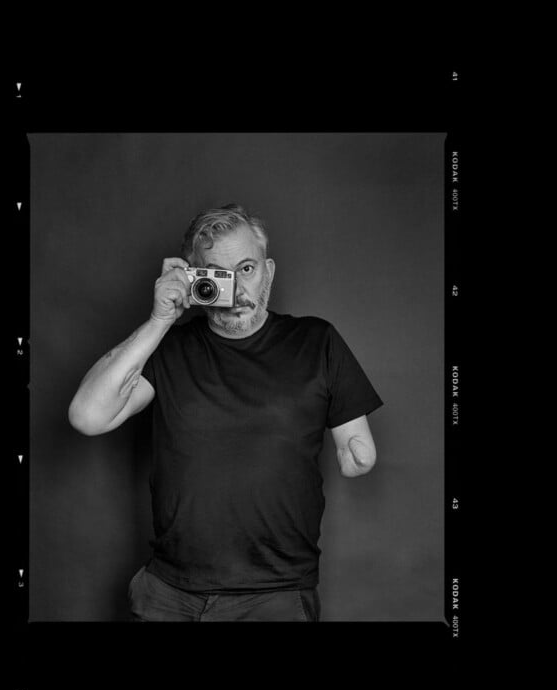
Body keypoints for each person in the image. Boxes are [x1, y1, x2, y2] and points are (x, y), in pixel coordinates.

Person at [68, 204, 383, 622]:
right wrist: (160, 320)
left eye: (247, 269)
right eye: (218, 275)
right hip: (167, 593)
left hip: (276, 595)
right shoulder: (170, 347)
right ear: (194, 278)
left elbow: (357, 450)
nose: (237, 288)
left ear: (268, 271)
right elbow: (87, 416)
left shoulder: (316, 341)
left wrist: (357, 455)